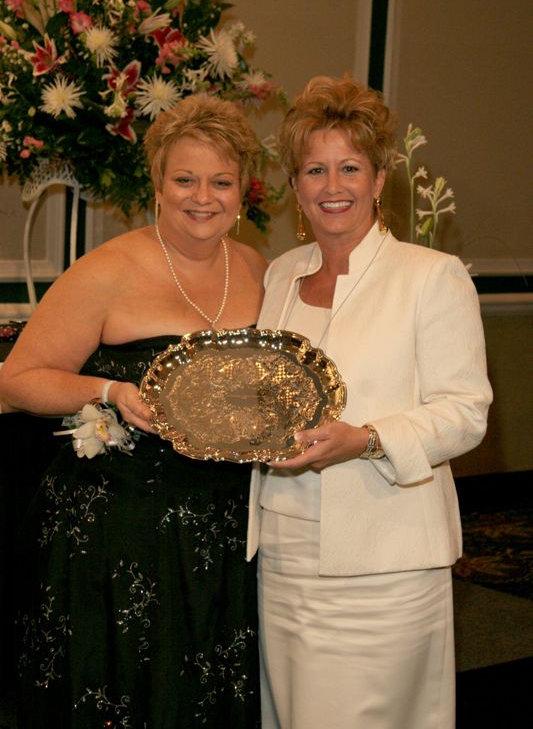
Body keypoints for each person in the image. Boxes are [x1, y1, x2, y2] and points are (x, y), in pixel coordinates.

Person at [0, 94, 267, 728]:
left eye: (221, 181)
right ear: (157, 181)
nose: (203, 196)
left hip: (227, 528)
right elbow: (16, 382)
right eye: (185, 179)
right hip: (118, 530)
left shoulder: (258, 269)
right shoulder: (106, 271)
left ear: (242, 190)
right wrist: (112, 392)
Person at [246, 75, 493, 729]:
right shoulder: (280, 274)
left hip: (384, 557)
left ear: (379, 180)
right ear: (294, 187)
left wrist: (368, 438)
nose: (333, 186)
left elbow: (464, 411)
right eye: (314, 169)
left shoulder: (429, 277)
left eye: (349, 168)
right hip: (283, 546)